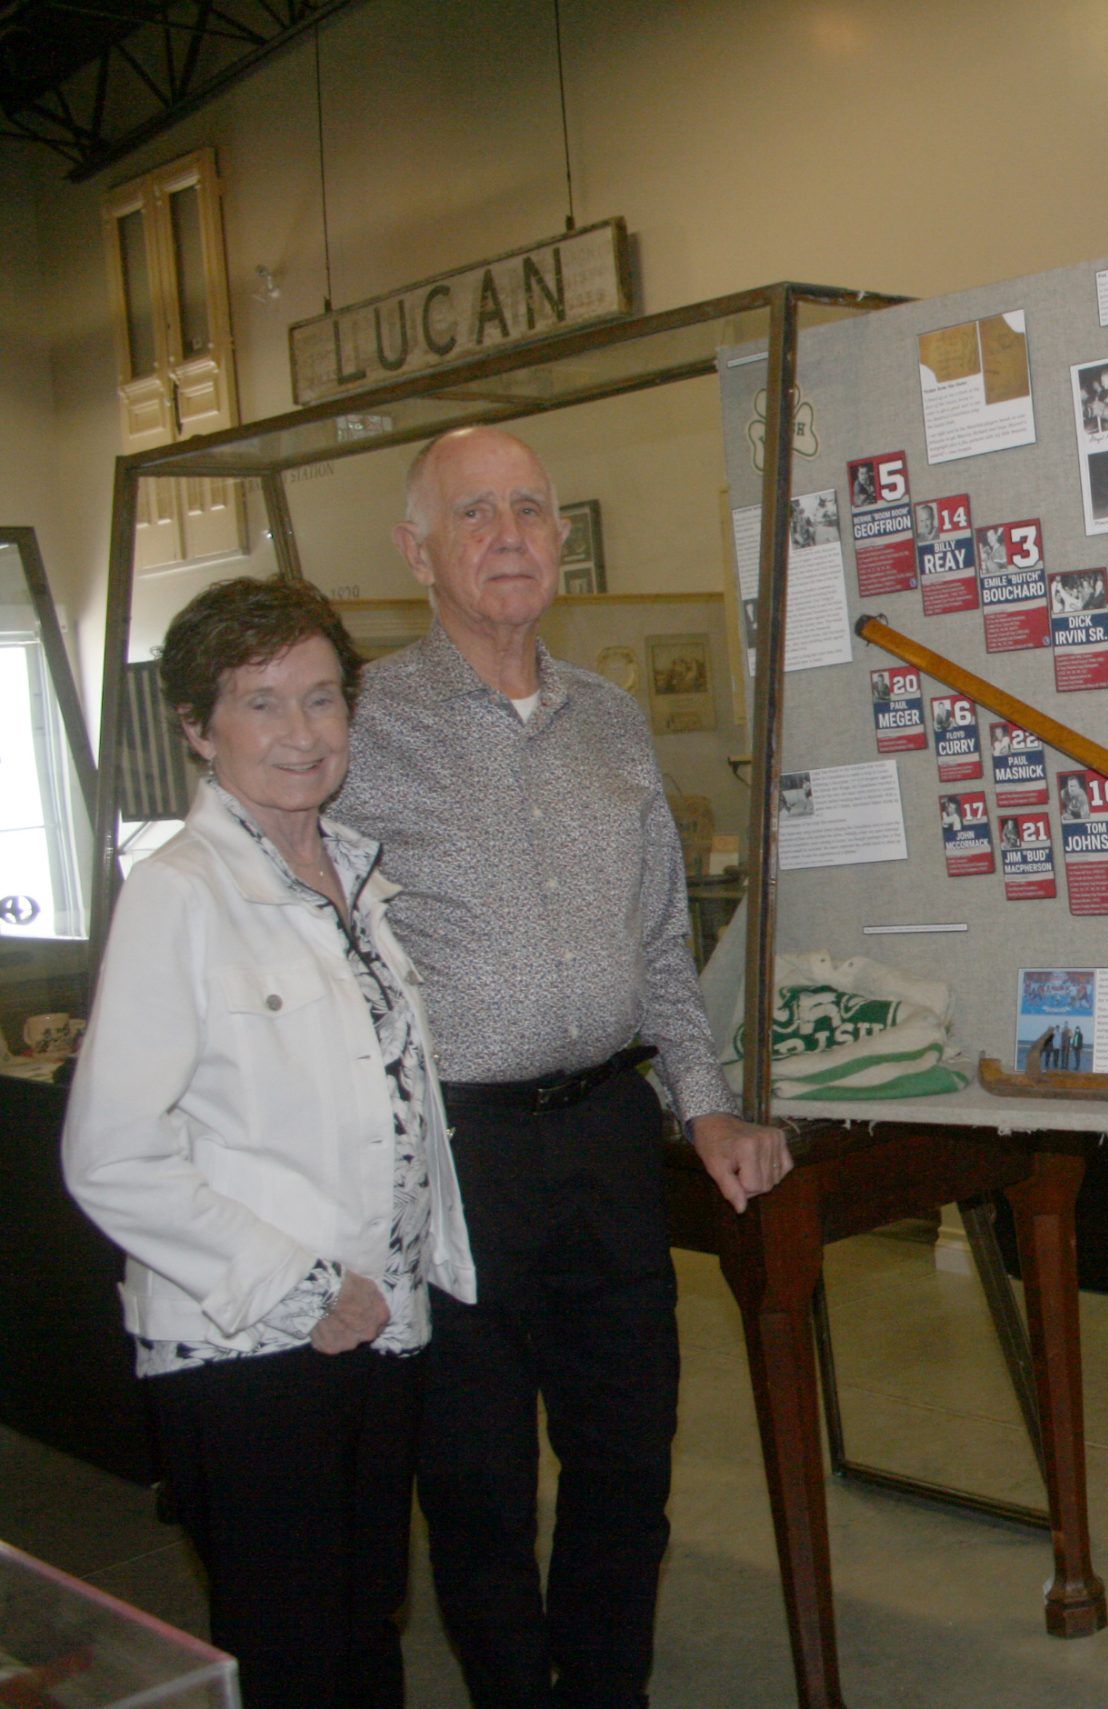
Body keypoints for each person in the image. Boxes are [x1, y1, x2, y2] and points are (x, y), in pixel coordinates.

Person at [334, 427, 791, 1708]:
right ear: (417, 551)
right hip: (457, 1155)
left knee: (626, 1461)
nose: (509, 533)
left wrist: (703, 1104)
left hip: (604, 1137)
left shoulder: (613, 719)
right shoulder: (364, 723)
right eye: (473, 512)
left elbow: (659, 942)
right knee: (475, 1483)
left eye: (528, 506)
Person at [64, 577, 476, 1707]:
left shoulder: (351, 871)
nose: (301, 733)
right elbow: (111, 1152)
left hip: (378, 1327)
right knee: (295, 1646)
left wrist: (400, 1279)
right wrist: (300, 1286)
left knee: (363, 1628)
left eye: (322, 698)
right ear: (199, 728)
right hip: (253, 1345)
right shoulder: (179, 895)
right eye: (260, 703)